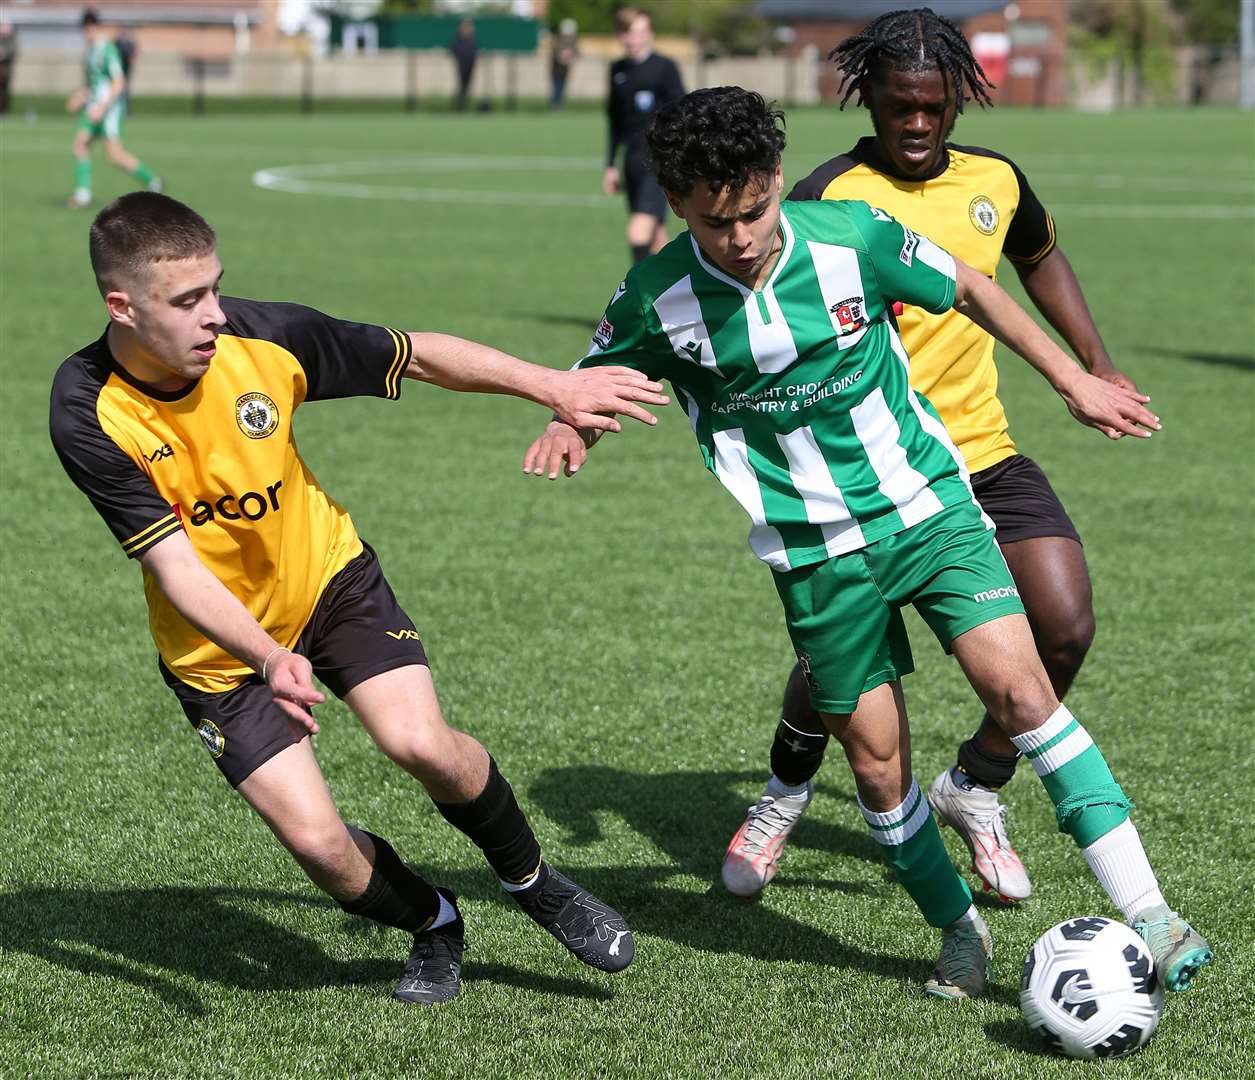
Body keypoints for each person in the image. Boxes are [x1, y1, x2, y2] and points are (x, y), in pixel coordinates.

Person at [523, 86, 1211, 999]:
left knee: (1023, 695)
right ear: (677, 205)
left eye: (754, 209)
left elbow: (968, 283)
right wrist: (576, 422)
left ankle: (1151, 914)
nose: (739, 237)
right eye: (713, 220)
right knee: (877, 768)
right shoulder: (657, 295)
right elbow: (598, 377)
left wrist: (1072, 381)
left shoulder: (851, 235)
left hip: (928, 508)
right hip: (814, 555)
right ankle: (955, 931)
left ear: (777, 177)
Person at [50, 192, 669, 1005]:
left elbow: (413, 354)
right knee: (319, 848)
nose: (213, 314)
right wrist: (269, 658)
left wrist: (549, 383)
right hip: (216, 654)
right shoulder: (86, 410)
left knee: (421, 745)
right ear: (121, 306)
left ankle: (533, 883)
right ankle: (433, 921)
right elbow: (179, 570)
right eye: (187, 300)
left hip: (330, 583)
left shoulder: (261, 338)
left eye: (215, 288)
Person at [721, 7, 1148, 909]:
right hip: (869, 468)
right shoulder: (829, 195)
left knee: (1063, 625)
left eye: (933, 107)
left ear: (959, 97)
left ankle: (975, 784)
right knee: (844, 660)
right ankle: (784, 793)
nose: (915, 125)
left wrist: (1092, 365)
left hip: (982, 451)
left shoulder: (995, 177)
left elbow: (1037, 257)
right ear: (865, 98)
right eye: (897, 106)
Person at [603, 6, 684, 265]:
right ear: (620, 35)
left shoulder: (665, 67)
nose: (634, 38)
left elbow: (683, 115)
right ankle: (678, 298)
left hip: (660, 162)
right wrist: (610, 165)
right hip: (632, 163)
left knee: (638, 231)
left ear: (649, 33)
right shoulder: (617, 69)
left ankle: (639, 302)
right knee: (656, 238)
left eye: (640, 32)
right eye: (629, 32)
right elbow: (615, 121)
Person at [65, 9, 161, 209]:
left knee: (114, 155)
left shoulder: (107, 49)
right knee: (81, 144)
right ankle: (83, 194)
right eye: (84, 29)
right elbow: (94, 84)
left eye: (90, 28)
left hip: (108, 109)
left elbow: (118, 83)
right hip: (94, 108)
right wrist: (80, 96)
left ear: (97, 27)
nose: (87, 33)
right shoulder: (90, 51)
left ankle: (152, 181)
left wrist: (102, 107)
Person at [550, 18, 580, 109]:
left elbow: (576, 52)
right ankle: (555, 104)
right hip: (557, 68)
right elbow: (557, 54)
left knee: (561, 86)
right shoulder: (558, 42)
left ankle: (558, 104)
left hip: (564, 69)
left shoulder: (572, 42)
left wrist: (572, 55)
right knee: (557, 86)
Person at [449, 19, 478, 112]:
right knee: (461, 85)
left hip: (470, 65)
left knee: (466, 86)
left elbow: (474, 52)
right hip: (462, 65)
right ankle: (459, 106)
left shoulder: (471, 40)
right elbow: (453, 50)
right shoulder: (457, 40)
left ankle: (463, 106)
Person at [0, 22, 17, 117]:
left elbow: (12, 52)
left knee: (4, 92)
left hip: (5, 72)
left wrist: (4, 53)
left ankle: (3, 111)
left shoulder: (12, 40)